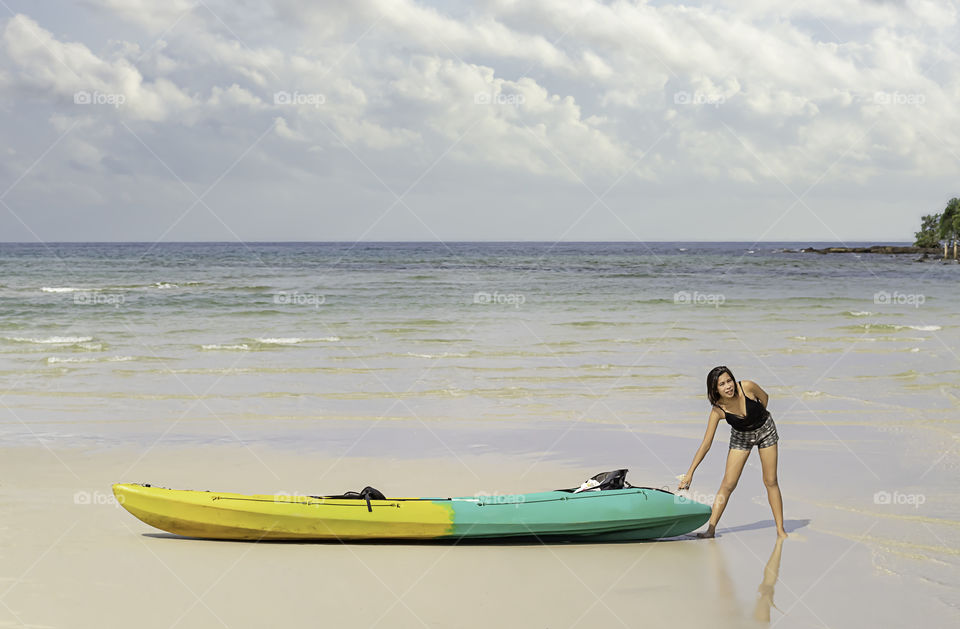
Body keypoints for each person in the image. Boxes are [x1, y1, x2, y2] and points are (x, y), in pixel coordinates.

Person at [679, 365, 787, 539]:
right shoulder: (718, 410)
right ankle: (711, 530)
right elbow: (706, 443)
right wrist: (690, 473)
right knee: (728, 484)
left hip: (766, 430)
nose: (728, 386)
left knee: (770, 480)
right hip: (741, 438)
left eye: (729, 381)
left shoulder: (747, 387)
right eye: (722, 384)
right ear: (715, 390)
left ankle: (780, 530)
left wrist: (756, 420)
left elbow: (765, 398)